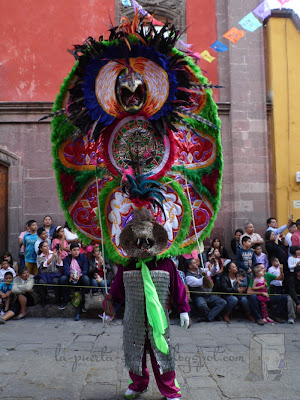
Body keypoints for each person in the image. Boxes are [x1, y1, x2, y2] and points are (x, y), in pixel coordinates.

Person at [105, 209, 190, 400]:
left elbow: (177, 288)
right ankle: (137, 384)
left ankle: (170, 389)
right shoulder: (126, 265)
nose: (143, 246)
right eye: (139, 242)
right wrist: (109, 307)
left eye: (147, 242)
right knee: (134, 352)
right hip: (133, 318)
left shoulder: (166, 263)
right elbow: (117, 291)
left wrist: (184, 309)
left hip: (158, 319)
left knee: (162, 352)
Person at [186, 257, 226, 322]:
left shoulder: (201, 270)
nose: (196, 263)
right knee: (201, 305)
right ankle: (213, 316)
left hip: (209, 294)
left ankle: (209, 317)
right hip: (199, 296)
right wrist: (206, 275)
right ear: (190, 266)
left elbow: (212, 272)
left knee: (222, 302)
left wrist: (215, 265)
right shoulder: (188, 277)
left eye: (196, 262)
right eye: (194, 263)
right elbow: (199, 282)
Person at [60, 243, 90, 319]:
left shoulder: (83, 257)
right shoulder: (67, 258)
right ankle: (66, 300)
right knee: (63, 279)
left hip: (80, 276)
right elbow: (65, 269)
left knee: (86, 279)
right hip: (71, 277)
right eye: (74, 250)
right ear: (70, 251)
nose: (76, 252)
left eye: (77, 250)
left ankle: (84, 301)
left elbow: (85, 270)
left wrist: (80, 275)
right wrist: (70, 275)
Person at [36, 241, 63, 306]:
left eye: (47, 246)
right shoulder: (39, 256)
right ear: (41, 249)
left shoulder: (53, 253)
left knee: (56, 281)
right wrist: (53, 256)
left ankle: (57, 300)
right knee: (42, 283)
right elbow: (46, 264)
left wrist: (58, 255)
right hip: (44, 275)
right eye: (45, 246)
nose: (47, 247)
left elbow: (59, 264)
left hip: (54, 274)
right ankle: (43, 301)